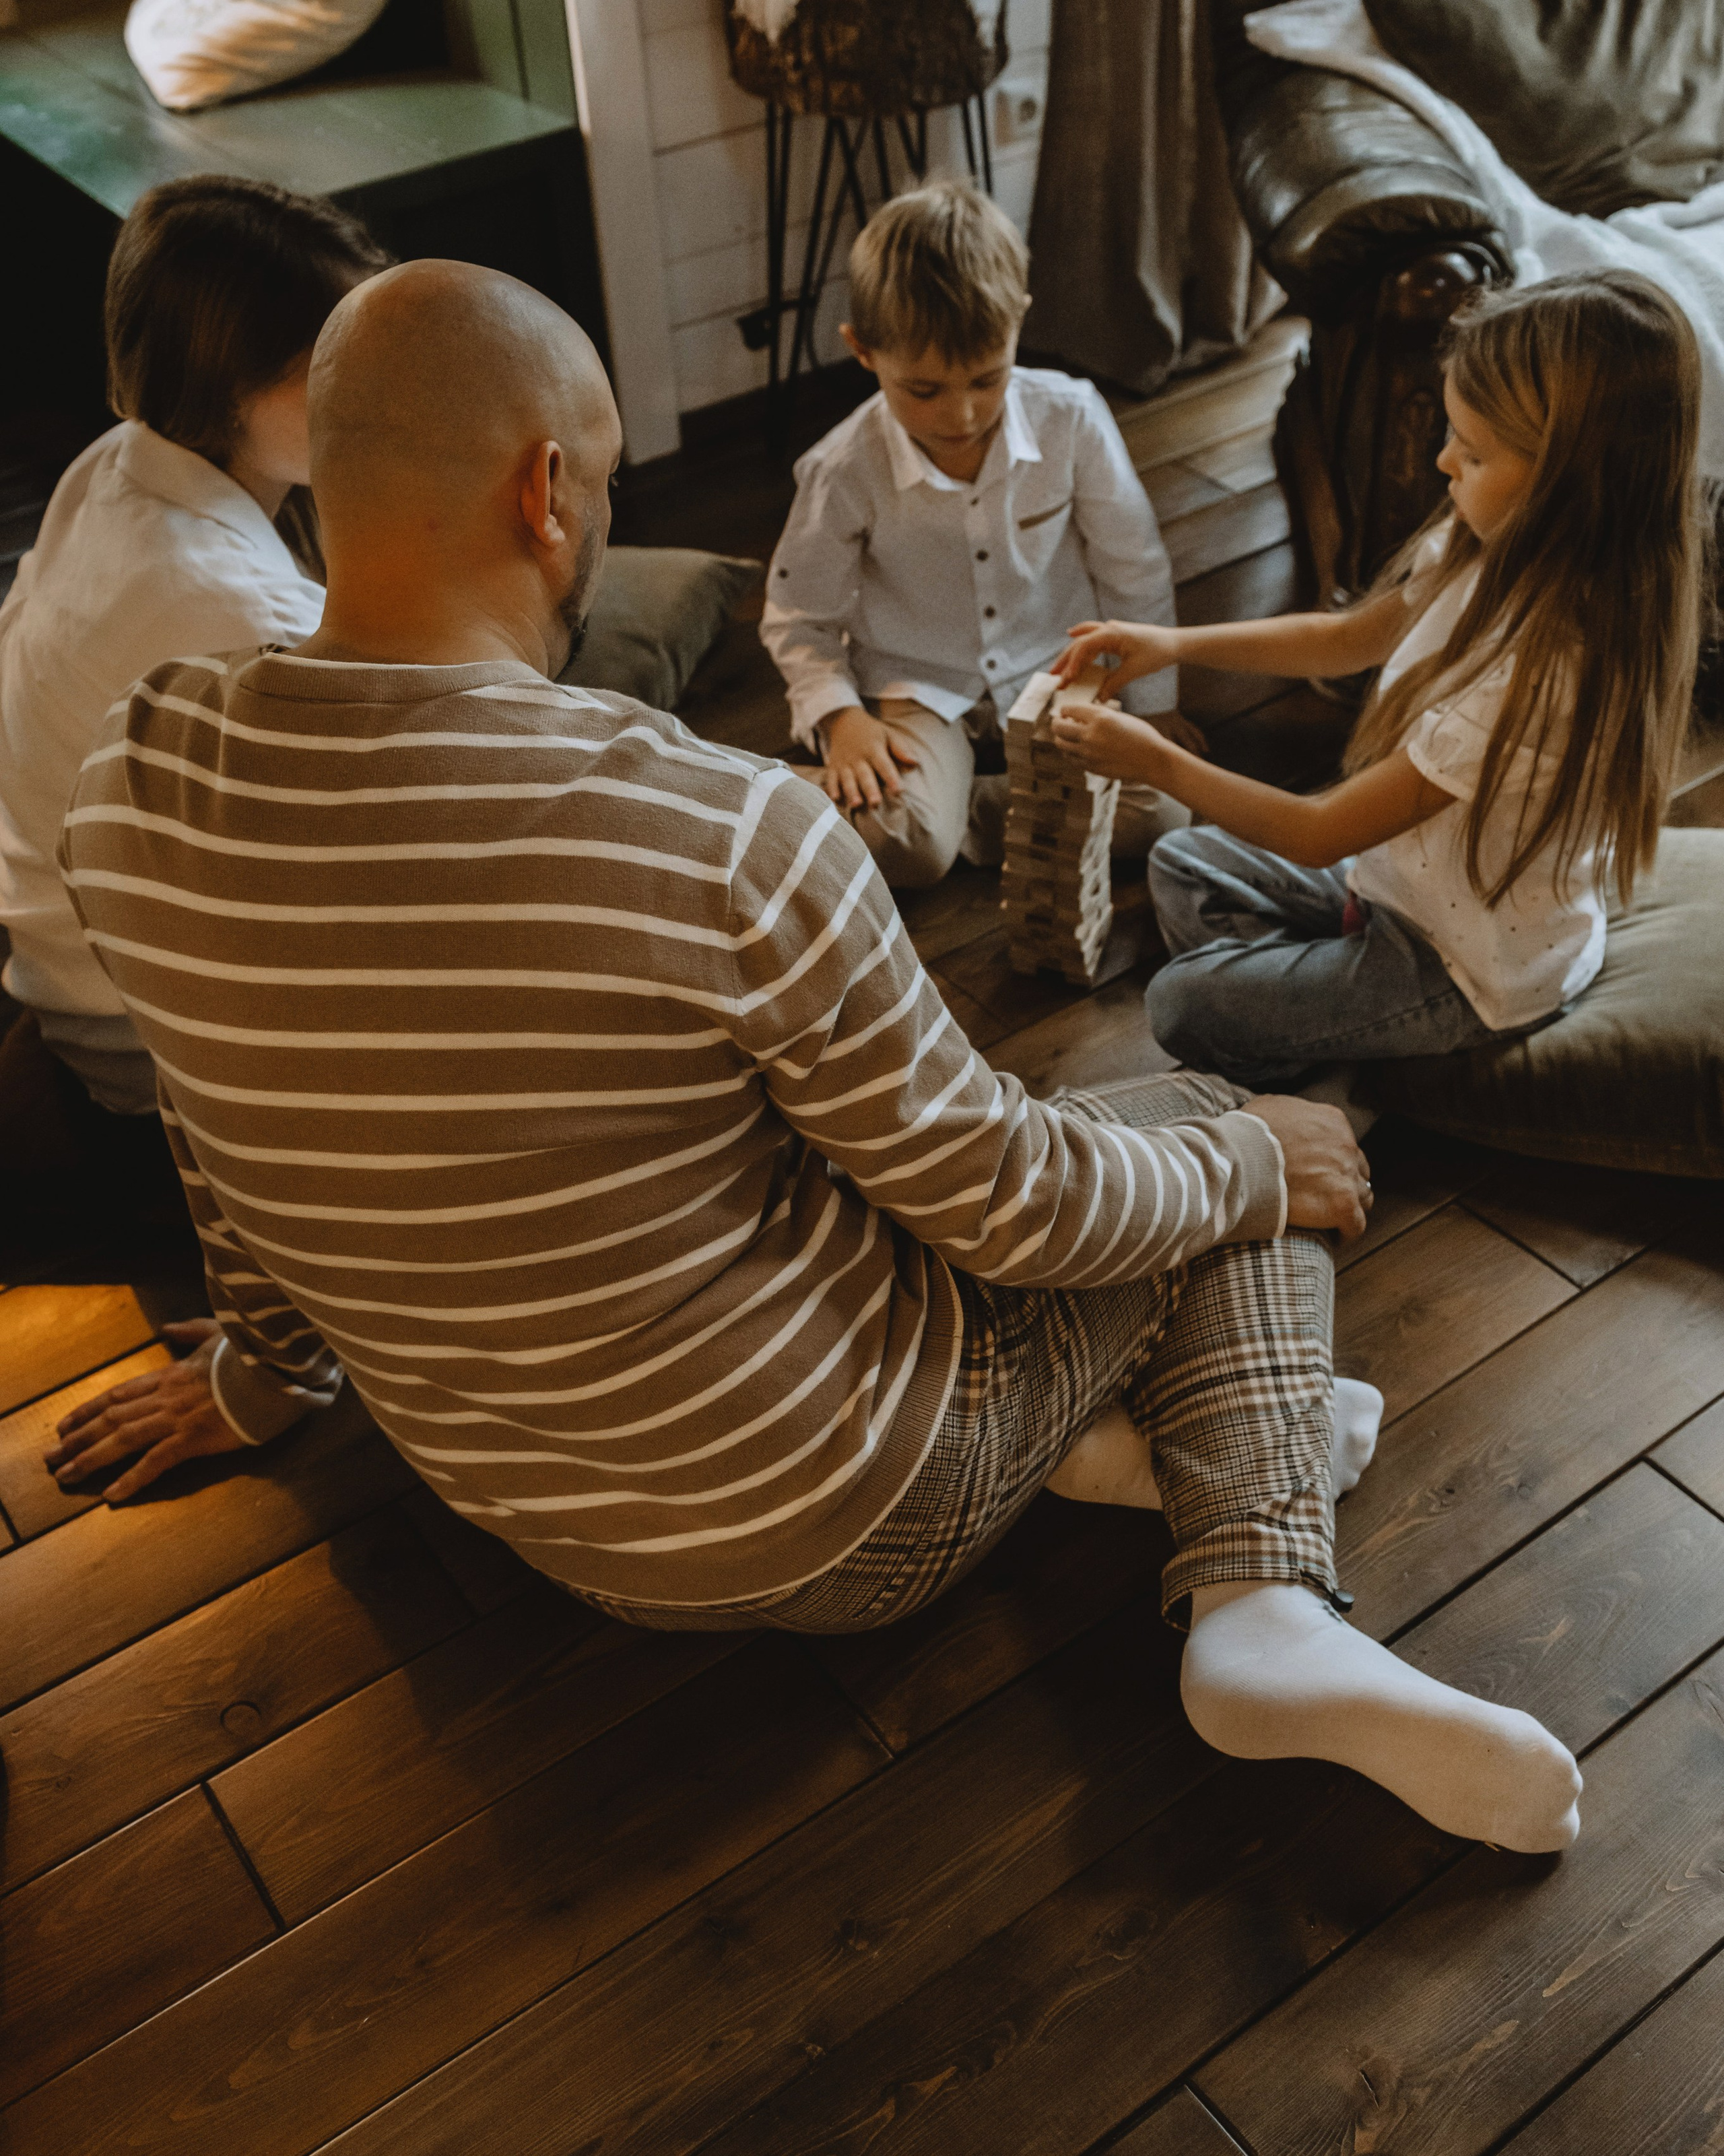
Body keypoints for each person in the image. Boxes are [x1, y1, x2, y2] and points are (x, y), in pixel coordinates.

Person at [48, 260, 1582, 1852]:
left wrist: (261, 1370)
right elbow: (1008, 1202)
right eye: (614, 471)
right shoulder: (725, 829)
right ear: (546, 491)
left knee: (895, 1161)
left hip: (537, 1518)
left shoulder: (135, 777)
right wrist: (1256, 1152)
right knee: (1211, 1121)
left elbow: (221, 1128)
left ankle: (1139, 1447)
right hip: (842, 1514)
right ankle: (1263, 1606)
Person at [1050, 273, 1702, 1090]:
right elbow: (1343, 639)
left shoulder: (1539, 679)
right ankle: (1324, 1017)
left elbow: (1320, 831)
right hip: (1398, 886)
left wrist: (1154, 761)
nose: (1440, 461)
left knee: (1180, 1003)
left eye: (1471, 451)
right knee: (1183, 860)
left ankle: (1350, 1072)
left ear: (1567, 485)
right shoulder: (1482, 546)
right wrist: (1171, 643)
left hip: (1461, 968)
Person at [0, 174, 387, 1185]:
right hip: (140, 1038)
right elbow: (386, 832)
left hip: (60, 950)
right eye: (330, 367)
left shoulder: (114, 463)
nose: (375, 386)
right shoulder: (228, 604)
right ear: (225, 382)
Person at [760, 178, 1195, 888]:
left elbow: (1133, 565)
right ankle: (913, 809)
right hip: (919, 686)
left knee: (1163, 812)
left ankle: (951, 807)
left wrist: (1158, 702)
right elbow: (799, 620)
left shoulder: (1073, 419)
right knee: (913, 850)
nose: (960, 415)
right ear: (862, 350)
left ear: (1018, 322)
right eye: (924, 390)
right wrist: (841, 721)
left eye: (986, 380)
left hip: (1053, 671)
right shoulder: (841, 470)